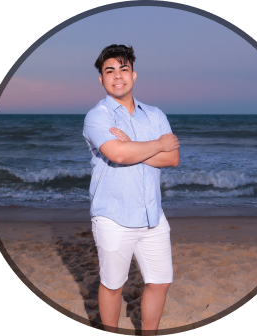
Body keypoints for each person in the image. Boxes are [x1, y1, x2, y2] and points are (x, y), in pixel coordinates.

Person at [83, 44, 180, 334]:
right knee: (113, 285)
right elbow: (119, 155)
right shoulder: (97, 117)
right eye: (109, 71)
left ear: (134, 75)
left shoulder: (154, 115)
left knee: (160, 281)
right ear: (101, 79)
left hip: (153, 216)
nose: (117, 76)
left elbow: (172, 158)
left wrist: (135, 148)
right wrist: (156, 146)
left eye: (123, 69)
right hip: (113, 217)